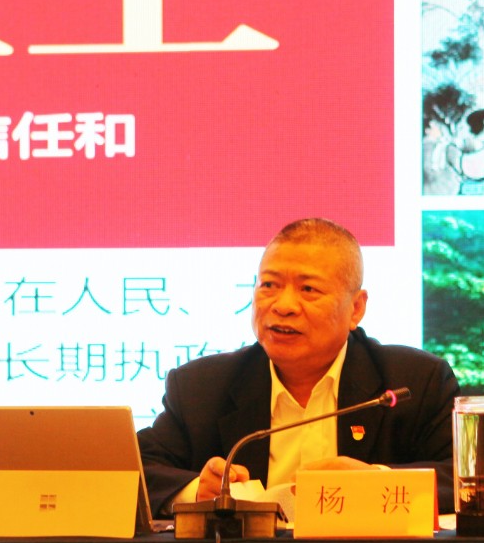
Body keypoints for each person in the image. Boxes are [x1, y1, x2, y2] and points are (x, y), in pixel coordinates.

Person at [138, 218, 460, 515]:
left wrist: (376, 481)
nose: (283, 306)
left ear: (356, 308)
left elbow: (468, 479)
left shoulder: (415, 381)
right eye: (269, 285)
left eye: (308, 289)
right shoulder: (200, 387)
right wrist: (199, 490)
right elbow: (138, 470)